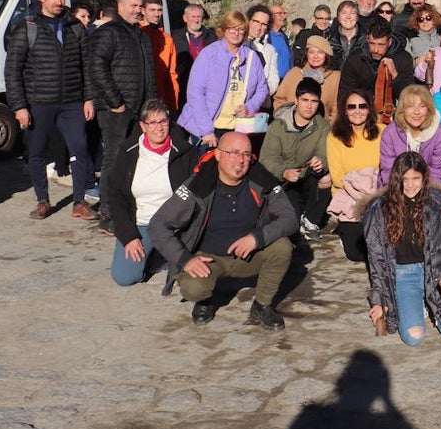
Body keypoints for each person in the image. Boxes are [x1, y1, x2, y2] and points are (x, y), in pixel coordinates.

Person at [148, 132, 297, 329]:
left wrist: (257, 238)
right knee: (194, 289)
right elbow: (158, 225)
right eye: (233, 153)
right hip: (209, 260)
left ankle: (262, 305)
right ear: (218, 155)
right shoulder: (198, 184)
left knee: (283, 247)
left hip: (248, 256)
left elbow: (290, 218)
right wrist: (185, 259)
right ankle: (205, 301)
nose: (240, 160)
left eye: (246, 154)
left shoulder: (261, 179)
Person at [4, 0, 98, 220]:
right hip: (39, 103)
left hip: (71, 102)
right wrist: (20, 106)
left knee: (79, 149)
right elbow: (13, 70)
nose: (60, 2)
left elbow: (86, 66)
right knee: (36, 152)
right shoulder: (27, 26)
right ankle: (42, 201)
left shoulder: (74, 26)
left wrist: (89, 98)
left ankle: (79, 202)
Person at [363, 152, 441, 345]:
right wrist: (379, 300)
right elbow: (376, 258)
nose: (410, 185)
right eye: (404, 179)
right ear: (396, 179)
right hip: (403, 276)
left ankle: (430, 302)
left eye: (415, 178)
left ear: (424, 177)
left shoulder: (437, 202)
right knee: (413, 338)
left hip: (434, 273)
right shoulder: (378, 208)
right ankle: (417, 305)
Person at [104, 100, 199, 285]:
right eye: (152, 123)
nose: (159, 128)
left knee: (190, 275)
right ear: (142, 126)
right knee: (124, 277)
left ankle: (164, 254)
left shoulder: (185, 152)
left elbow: (197, 192)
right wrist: (129, 236)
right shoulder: (128, 152)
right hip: (142, 224)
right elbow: (115, 196)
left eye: (163, 121)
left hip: (175, 225)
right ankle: (154, 254)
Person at [88, 0, 156, 209]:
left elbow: (148, 74)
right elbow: (97, 68)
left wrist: (151, 106)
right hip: (115, 110)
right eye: (133, 6)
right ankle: (108, 211)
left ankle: (125, 205)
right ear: (120, 7)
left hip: (139, 109)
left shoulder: (141, 35)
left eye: (140, 6)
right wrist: (116, 102)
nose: (137, 10)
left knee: (132, 160)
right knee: (114, 160)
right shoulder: (108, 32)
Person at [176, 11, 270, 151]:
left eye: (240, 29)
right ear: (224, 29)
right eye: (231, 28)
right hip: (208, 129)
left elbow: (262, 89)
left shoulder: (252, 58)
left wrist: (249, 107)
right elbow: (195, 93)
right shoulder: (209, 55)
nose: (236, 32)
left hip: (236, 128)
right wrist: (207, 130)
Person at [259, 78, 331, 239]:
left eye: (314, 101)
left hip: (308, 177)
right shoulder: (278, 125)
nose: (309, 106)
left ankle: (311, 220)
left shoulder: (323, 127)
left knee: (326, 178)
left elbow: (324, 153)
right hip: (284, 182)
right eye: (305, 100)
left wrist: (321, 162)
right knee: (289, 224)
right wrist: (283, 171)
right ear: (296, 100)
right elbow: (266, 159)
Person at [326, 91, 382, 262]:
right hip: (349, 196)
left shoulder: (383, 131)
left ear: (369, 109)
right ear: (345, 111)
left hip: (377, 194)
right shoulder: (334, 137)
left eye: (362, 106)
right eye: (352, 107)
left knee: (380, 248)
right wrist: (363, 196)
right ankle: (345, 229)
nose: (357, 111)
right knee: (357, 254)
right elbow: (337, 177)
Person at [341, 22, 416, 125]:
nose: (375, 50)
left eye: (381, 45)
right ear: (367, 39)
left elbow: (408, 96)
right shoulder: (356, 59)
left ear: (389, 42)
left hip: (393, 117)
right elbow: (344, 93)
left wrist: (395, 75)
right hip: (361, 115)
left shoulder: (403, 58)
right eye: (372, 44)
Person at [379, 85, 441, 186]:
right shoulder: (390, 133)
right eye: (410, 106)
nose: (416, 112)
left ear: (428, 109)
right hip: (396, 187)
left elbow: (436, 173)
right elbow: (388, 172)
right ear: (402, 109)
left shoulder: (440, 134)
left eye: (422, 106)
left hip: (428, 188)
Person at [272, 34, 342, 124]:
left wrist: (330, 125)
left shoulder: (335, 77)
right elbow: (279, 99)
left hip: (322, 130)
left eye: (320, 52)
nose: (315, 56)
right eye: (311, 52)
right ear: (306, 54)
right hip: (291, 128)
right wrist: (285, 119)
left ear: (326, 55)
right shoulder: (294, 73)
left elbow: (337, 106)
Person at [141, 0, 179, 112]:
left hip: (160, 99)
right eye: (152, 10)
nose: (157, 14)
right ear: (143, 10)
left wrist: (173, 105)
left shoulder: (167, 39)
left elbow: (171, 74)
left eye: (159, 10)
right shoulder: (136, 34)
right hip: (139, 98)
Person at [173, 4, 215, 106]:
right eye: (193, 16)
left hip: (206, 89)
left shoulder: (212, 38)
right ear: (185, 18)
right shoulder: (174, 37)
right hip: (184, 86)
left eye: (199, 17)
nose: (196, 20)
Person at [245, 5, 281, 98]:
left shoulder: (270, 50)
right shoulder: (238, 44)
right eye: (256, 22)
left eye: (264, 24)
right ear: (248, 21)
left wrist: (261, 95)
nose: (259, 27)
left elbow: (273, 78)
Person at [328, 0, 365, 67]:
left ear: (357, 17)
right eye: (344, 13)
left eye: (352, 13)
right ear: (338, 18)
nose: (348, 17)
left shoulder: (366, 40)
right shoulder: (330, 41)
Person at [268, 4, 292, 77]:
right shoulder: (266, 36)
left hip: (286, 82)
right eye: (280, 13)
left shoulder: (283, 36)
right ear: (271, 16)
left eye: (284, 13)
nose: (284, 16)